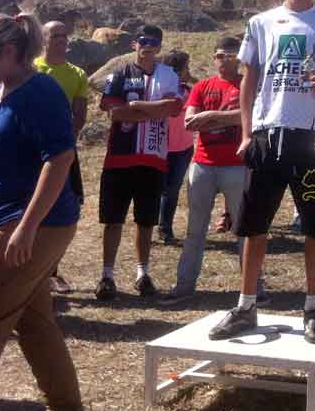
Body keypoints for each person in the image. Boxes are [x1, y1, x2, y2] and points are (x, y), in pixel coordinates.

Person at [209, 0, 315, 344]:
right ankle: (246, 305)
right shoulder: (261, 23)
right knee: (253, 225)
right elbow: (249, 80)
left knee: (314, 228)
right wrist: (248, 133)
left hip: (310, 141)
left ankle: (313, 307)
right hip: (269, 137)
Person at [0, 13, 91, 411]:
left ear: (8, 52)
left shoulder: (39, 91)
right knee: (34, 324)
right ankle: (68, 409)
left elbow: (61, 157)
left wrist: (27, 228)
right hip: (4, 217)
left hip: (32, 225)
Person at [160, 36, 265, 306]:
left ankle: (254, 288)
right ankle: (184, 285)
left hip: (237, 165)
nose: (224, 59)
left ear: (239, 57)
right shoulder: (202, 87)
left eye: (230, 55)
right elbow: (189, 122)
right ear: (213, 58)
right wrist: (226, 117)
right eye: (220, 55)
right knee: (195, 229)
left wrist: (210, 117)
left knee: (245, 229)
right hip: (203, 165)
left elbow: (251, 116)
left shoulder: (248, 84)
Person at [95, 24, 182, 301]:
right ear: (134, 43)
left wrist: (135, 108)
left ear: (160, 47)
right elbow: (114, 112)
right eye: (143, 41)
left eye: (154, 42)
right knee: (113, 220)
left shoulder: (168, 74)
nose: (148, 46)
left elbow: (171, 108)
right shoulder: (120, 72)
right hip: (119, 158)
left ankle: (142, 274)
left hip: (153, 159)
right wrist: (147, 111)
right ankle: (107, 276)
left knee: (145, 222)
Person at [34, 20, 89, 294]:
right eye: (55, 35)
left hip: (63, 150)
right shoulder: (33, 69)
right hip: (30, 152)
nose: (61, 40)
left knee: (64, 207)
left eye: (64, 35)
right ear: (43, 39)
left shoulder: (77, 73)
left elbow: (80, 114)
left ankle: (51, 271)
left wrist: (66, 140)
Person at [158, 50, 195, 245]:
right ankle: (148, 225)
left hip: (183, 149)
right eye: (186, 67)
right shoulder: (160, 91)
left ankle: (165, 230)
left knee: (172, 190)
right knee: (156, 189)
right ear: (177, 71)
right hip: (160, 148)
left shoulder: (189, 91)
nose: (188, 71)